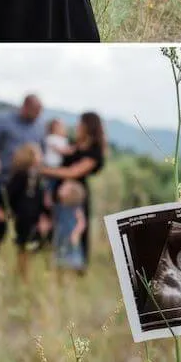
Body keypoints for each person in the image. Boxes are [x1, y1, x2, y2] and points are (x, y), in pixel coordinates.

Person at [0, 94, 45, 256]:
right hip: (3, 180)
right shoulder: (3, 120)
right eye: (35, 112)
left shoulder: (39, 127)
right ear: (25, 107)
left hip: (26, 186)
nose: (37, 116)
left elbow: (42, 153)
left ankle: (22, 263)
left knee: (25, 228)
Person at [41, 112, 106, 271]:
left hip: (75, 195)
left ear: (87, 126)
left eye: (80, 123)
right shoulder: (74, 143)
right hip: (60, 191)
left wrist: (45, 170)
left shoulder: (95, 151)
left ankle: (73, 266)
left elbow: (73, 172)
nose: (77, 126)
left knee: (73, 229)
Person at [0, 143, 49, 281]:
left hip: (34, 217)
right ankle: (22, 277)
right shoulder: (20, 175)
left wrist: (44, 214)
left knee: (32, 248)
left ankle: (25, 276)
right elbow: (9, 194)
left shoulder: (38, 177)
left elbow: (41, 199)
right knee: (23, 248)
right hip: (23, 218)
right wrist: (7, 210)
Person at [52, 180, 87, 274]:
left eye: (64, 187)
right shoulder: (59, 206)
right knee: (59, 253)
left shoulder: (76, 208)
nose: (61, 188)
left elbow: (82, 222)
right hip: (60, 236)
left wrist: (76, 233)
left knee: (73, 253)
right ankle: (60, 270)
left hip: (71, 236)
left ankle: (77, 268)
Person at [42, 118, 71, 209]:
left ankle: (49, 197)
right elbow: (60, 150)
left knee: (53, 183)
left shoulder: (62, 139)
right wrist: (71, 150)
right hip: (50, 165)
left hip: (57, 166)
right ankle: (47, 198)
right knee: (49, 183)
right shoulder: (51, 138)